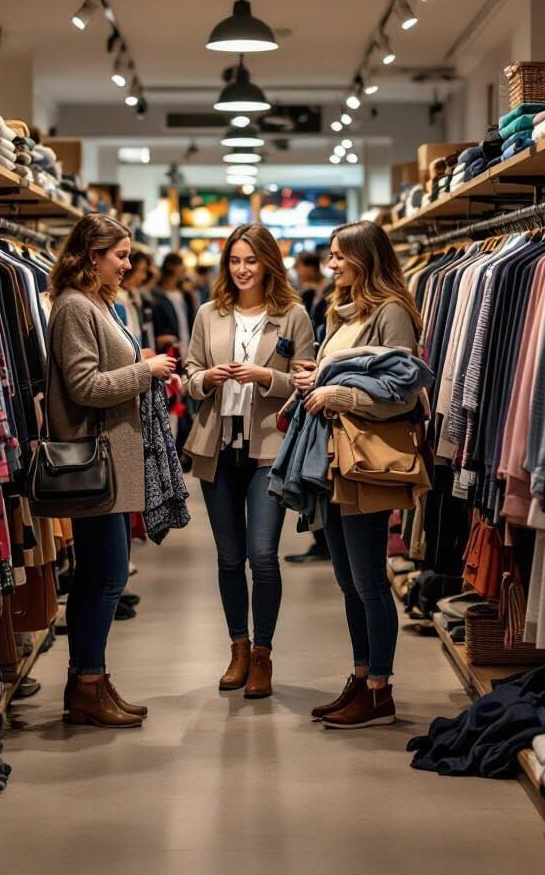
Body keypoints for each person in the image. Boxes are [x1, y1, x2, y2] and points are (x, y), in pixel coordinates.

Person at [46, 215, 176, 727]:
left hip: (114, 461)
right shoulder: (75, 307)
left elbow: (100, 369)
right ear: (92, 255)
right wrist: (146, 370)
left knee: (99, 576)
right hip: (95, 463)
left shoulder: (98, 303)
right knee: (107, 577)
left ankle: (91, 680)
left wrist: (136, 360)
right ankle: (87, 685)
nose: (127, 264)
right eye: (120, 255)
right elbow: (84, 386)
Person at [293, 220, 424, 729]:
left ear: (366, 258)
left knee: (369, 580)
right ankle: (361, 675)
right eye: (330, 256)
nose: (332, 265)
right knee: (348, 579)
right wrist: (317, 377)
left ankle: (380, 690)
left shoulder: (391, 312)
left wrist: (338, 395)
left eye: (340, 257)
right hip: (335, 457)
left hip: (365, 460)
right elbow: (352, 370)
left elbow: (405, 391)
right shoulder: (343, 312)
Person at [184, 224, 315, 698]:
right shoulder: (208, 313)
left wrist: (267, 377)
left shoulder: (294, 315)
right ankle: (237, 648)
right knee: (227, 557)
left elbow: (307, 383)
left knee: (262, 555)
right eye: (235, 260)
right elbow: (188, 375)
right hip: (216, 446)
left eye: (251, 261)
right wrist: (204, 380)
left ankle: (263, 653)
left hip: (268, 449)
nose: (242, 269)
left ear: (268, 265)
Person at [286, 248, 333, 564]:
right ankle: (321, 540)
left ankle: (323, 542)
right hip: (315, 378)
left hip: (326, 384)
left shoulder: (329, 292)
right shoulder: (314, 293)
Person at [151, 252, 195, 352]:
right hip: (168, 347)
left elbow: (190, 320)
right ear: (170, 266)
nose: (183, 268)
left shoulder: (185, 294)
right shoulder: (156, 294)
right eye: (180, 264)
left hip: (186, 344)